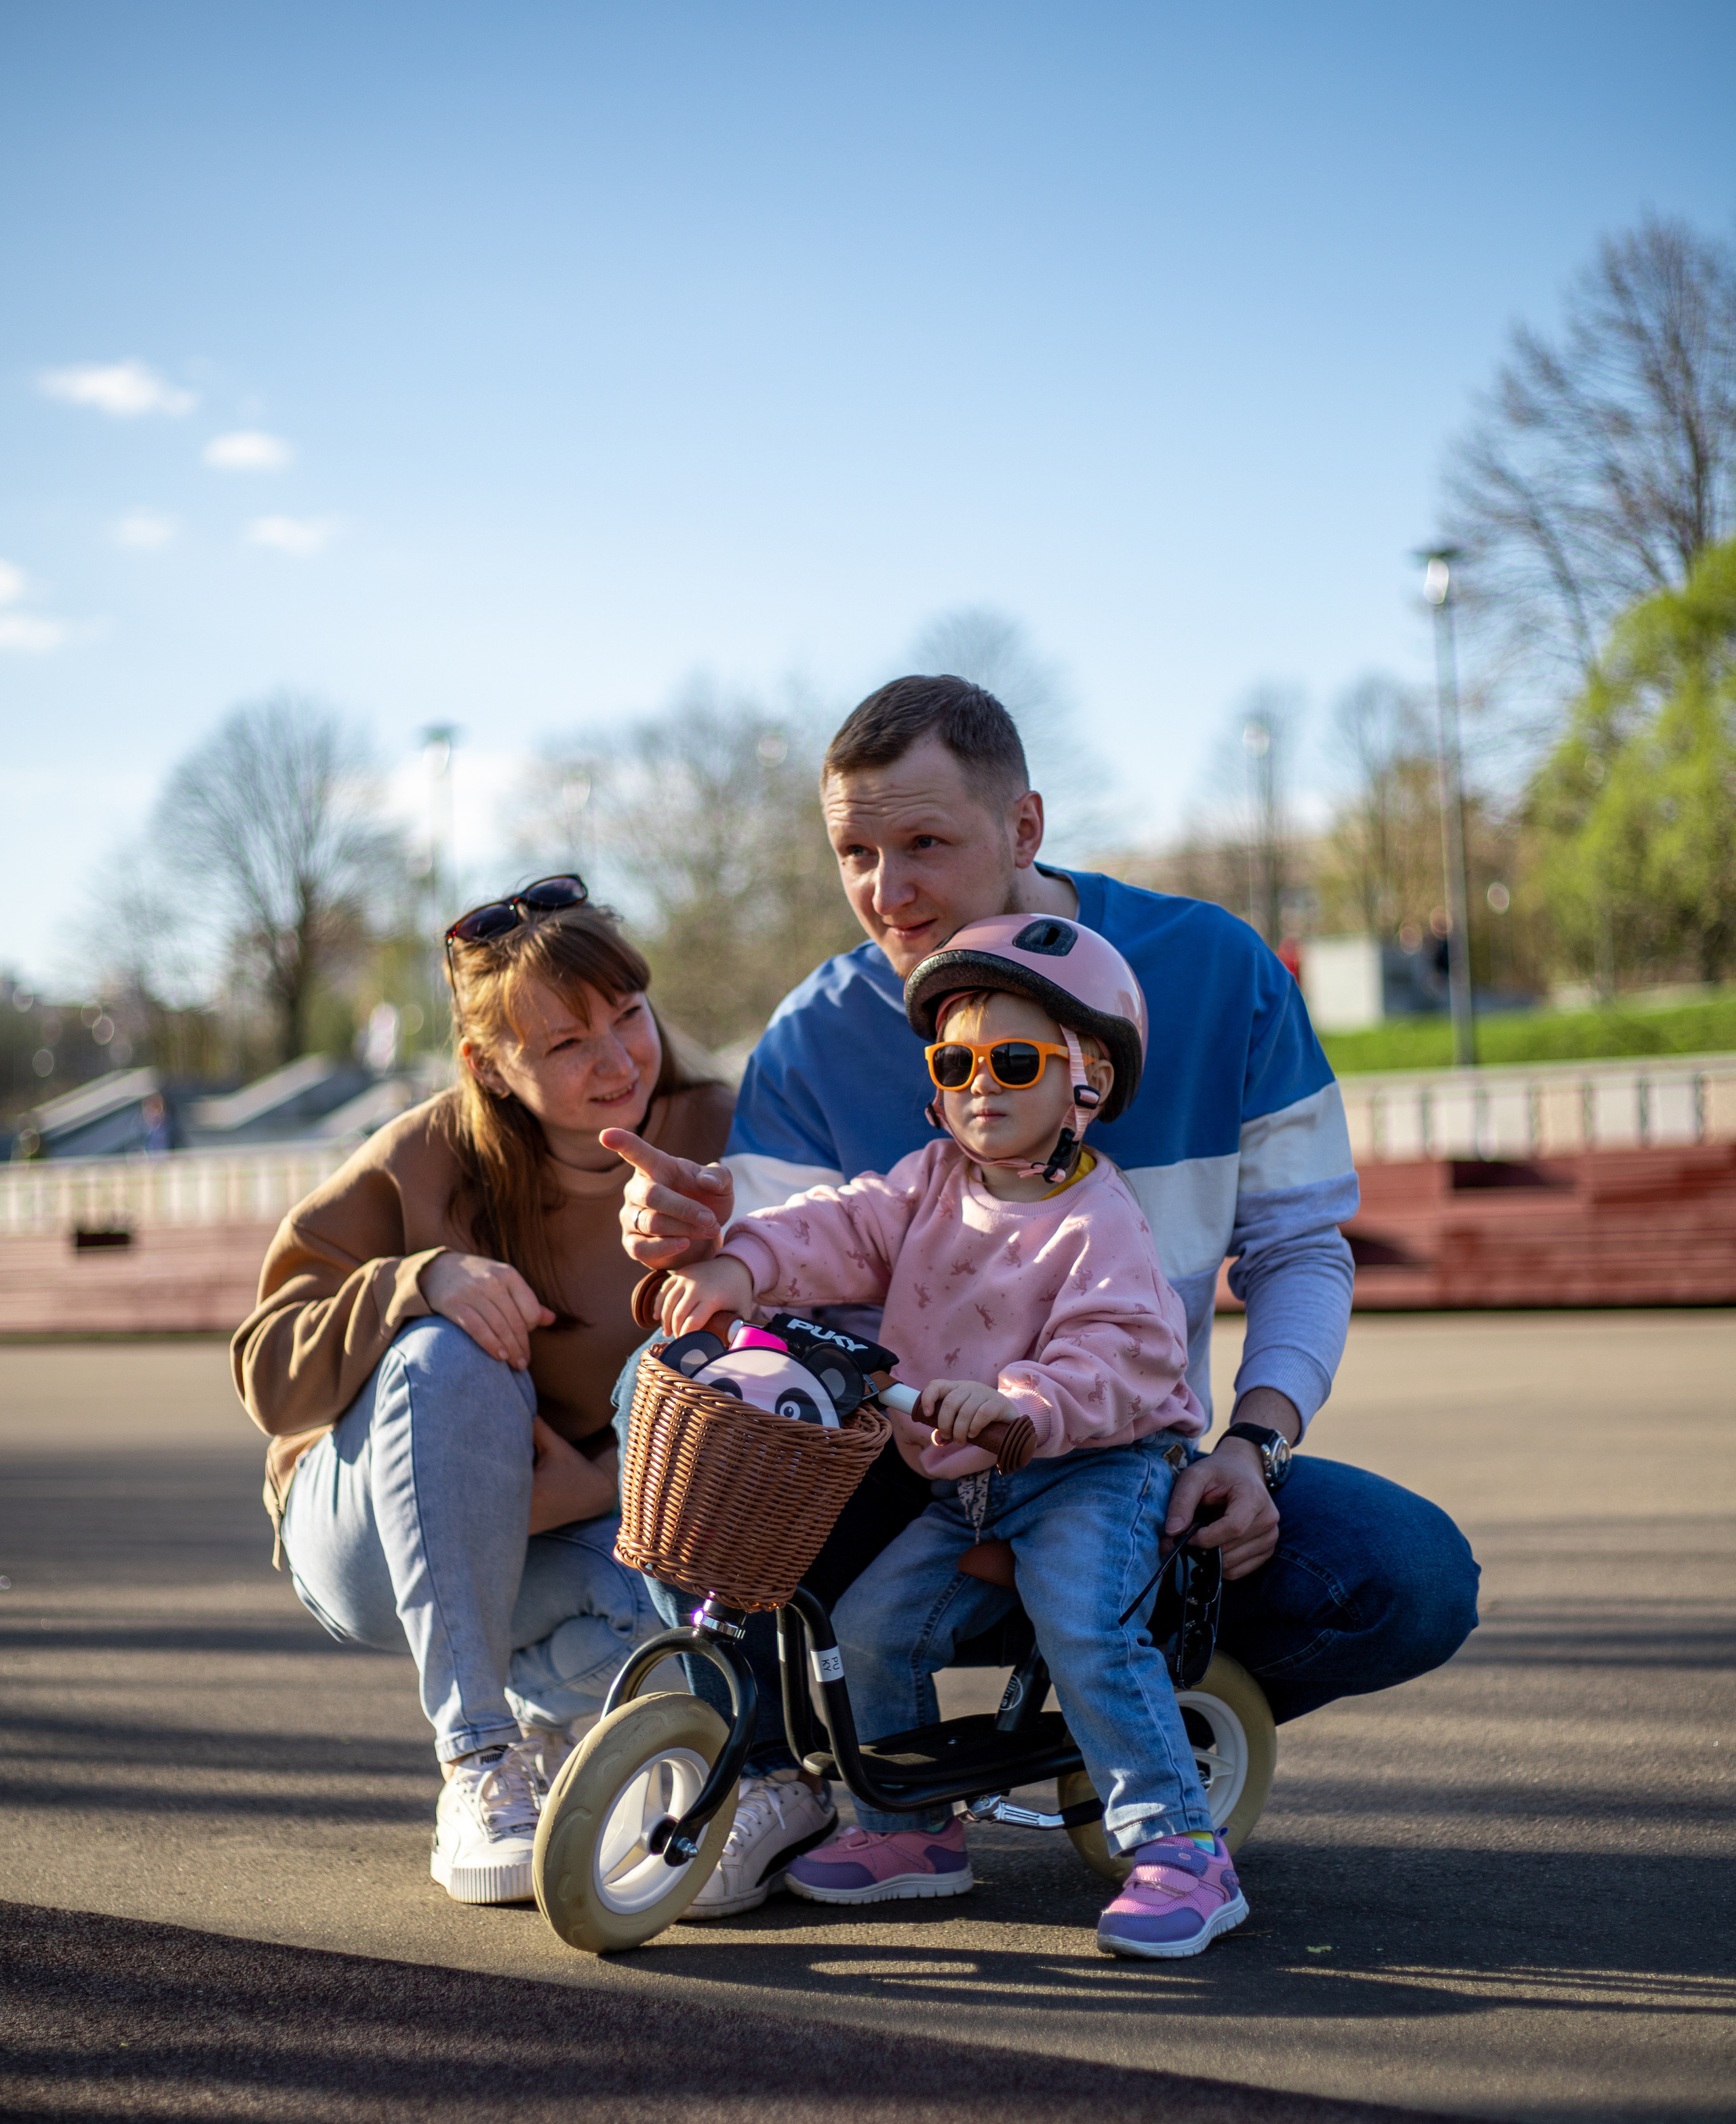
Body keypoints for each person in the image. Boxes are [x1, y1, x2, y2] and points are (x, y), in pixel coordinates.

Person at [610, 673, 1480, 1919]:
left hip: (1108, 1446)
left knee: (1403, 1571)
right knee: (669, 1387)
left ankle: (1126, 1744)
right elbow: (813, 1259)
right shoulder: (820, 1029)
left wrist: (1257, 1445)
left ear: (1024, 827)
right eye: (854, 853)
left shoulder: (1212, 971)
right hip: (911, 1453)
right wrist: (718, 1254)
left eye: (925, 845)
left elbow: (1299, 1244)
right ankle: (795, 1763)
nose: (886, 892)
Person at [657, 921, 1255, 1959]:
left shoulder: (1099, 1219)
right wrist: (742, 1266)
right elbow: (837, 1226)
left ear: (1089, 1077)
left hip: (1094, 1469)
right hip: (965, 1482)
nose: (982, 1084)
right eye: (957, 1062)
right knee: (873, 1629)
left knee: (1087, 1627)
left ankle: (1180, 1848)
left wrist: (1020, 1400)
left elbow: (1126, 1352)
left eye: (1015, 1062)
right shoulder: (929, 1183)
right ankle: (911, 1834)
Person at [232, 880, 734, 1906]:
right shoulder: (423, 1157)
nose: (616, 1059)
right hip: (372, 1540)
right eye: (564, 1045)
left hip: (577, 1529)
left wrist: (597, 1484)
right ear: (490, 1068)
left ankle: (559, 1713)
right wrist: (415, 1283)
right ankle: (478, 1761)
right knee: (449, 1353)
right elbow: (268, 1374)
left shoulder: (720, 1131)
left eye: (627, 1015)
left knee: (707, 1686)